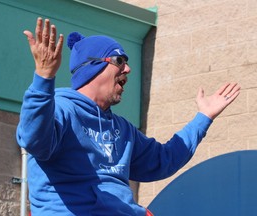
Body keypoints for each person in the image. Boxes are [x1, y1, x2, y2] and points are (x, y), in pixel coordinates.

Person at [16, 17, 241, 216]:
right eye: (119, 61)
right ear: (92, 68)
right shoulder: (61, 109)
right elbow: (33, 138)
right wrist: (43, 78)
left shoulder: (122, 129)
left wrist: (203, 117)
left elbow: (164, 160)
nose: (128, 69)